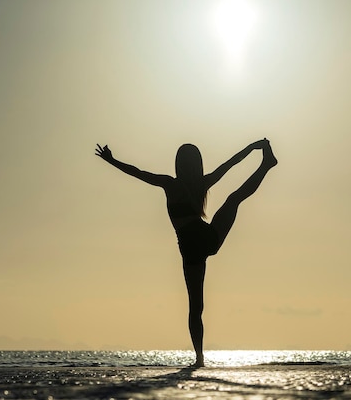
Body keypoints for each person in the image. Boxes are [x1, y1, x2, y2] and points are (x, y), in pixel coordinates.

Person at [95, 139, 277, 366]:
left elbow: (138, 173)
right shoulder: (200, 183)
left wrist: (111, 160)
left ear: (178, 164)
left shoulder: (171, 184)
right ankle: (266, 165)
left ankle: (199, 358)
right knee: (234, 199)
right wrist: (251, 148)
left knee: (195, 307)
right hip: (207, 240)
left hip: (192, 248)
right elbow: (230, 164)